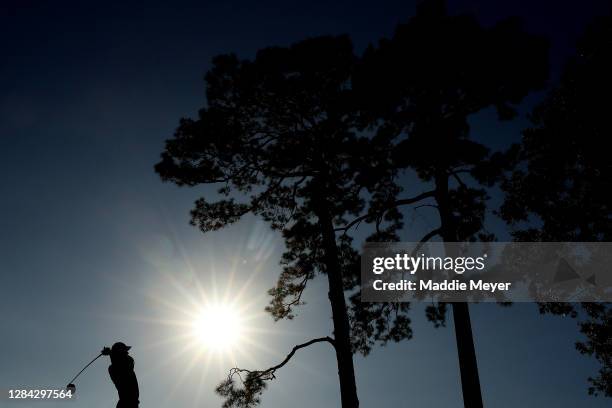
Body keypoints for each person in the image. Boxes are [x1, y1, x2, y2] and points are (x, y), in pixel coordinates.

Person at [102, 342, 140, 407]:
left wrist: (111, 352)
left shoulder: (129, 361)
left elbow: (125, 362)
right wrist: (112, 353)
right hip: (127, 402)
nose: (127, 353)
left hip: (130, 402)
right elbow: (119, 366)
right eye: (124, 351)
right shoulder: (112, 369)